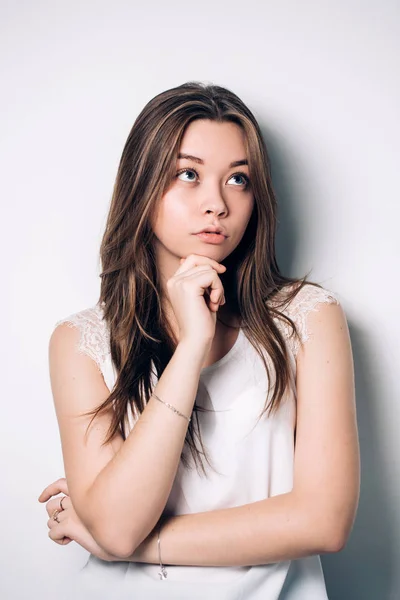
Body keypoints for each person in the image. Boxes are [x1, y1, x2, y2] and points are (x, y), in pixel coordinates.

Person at [38, 81, 360, 599]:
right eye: (188, 174)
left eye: (238, 179)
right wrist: (190, 349)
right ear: (142, 185)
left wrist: (125, 545)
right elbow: (117, 524)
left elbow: (324, 521)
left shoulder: (307, 318)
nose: (217, 203)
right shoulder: (82, 341)